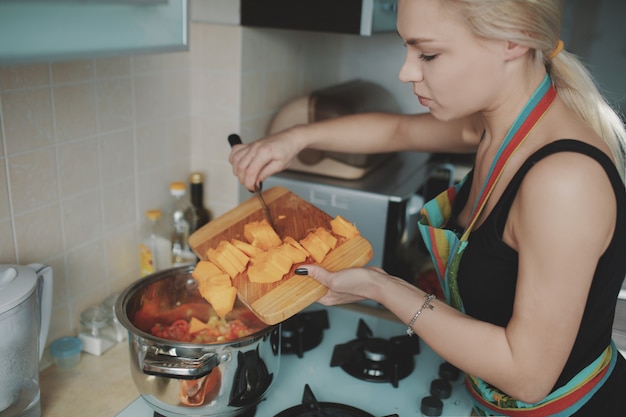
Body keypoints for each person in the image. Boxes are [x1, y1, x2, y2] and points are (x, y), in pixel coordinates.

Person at [229, 0, 626, 415]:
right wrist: (293, 139)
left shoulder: (564, 182)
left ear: (513, 41)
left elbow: (527, 376)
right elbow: (397, 129)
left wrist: (383, 287)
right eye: (407, 48)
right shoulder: (496, 127)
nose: (406, 72)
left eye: (428, 54)